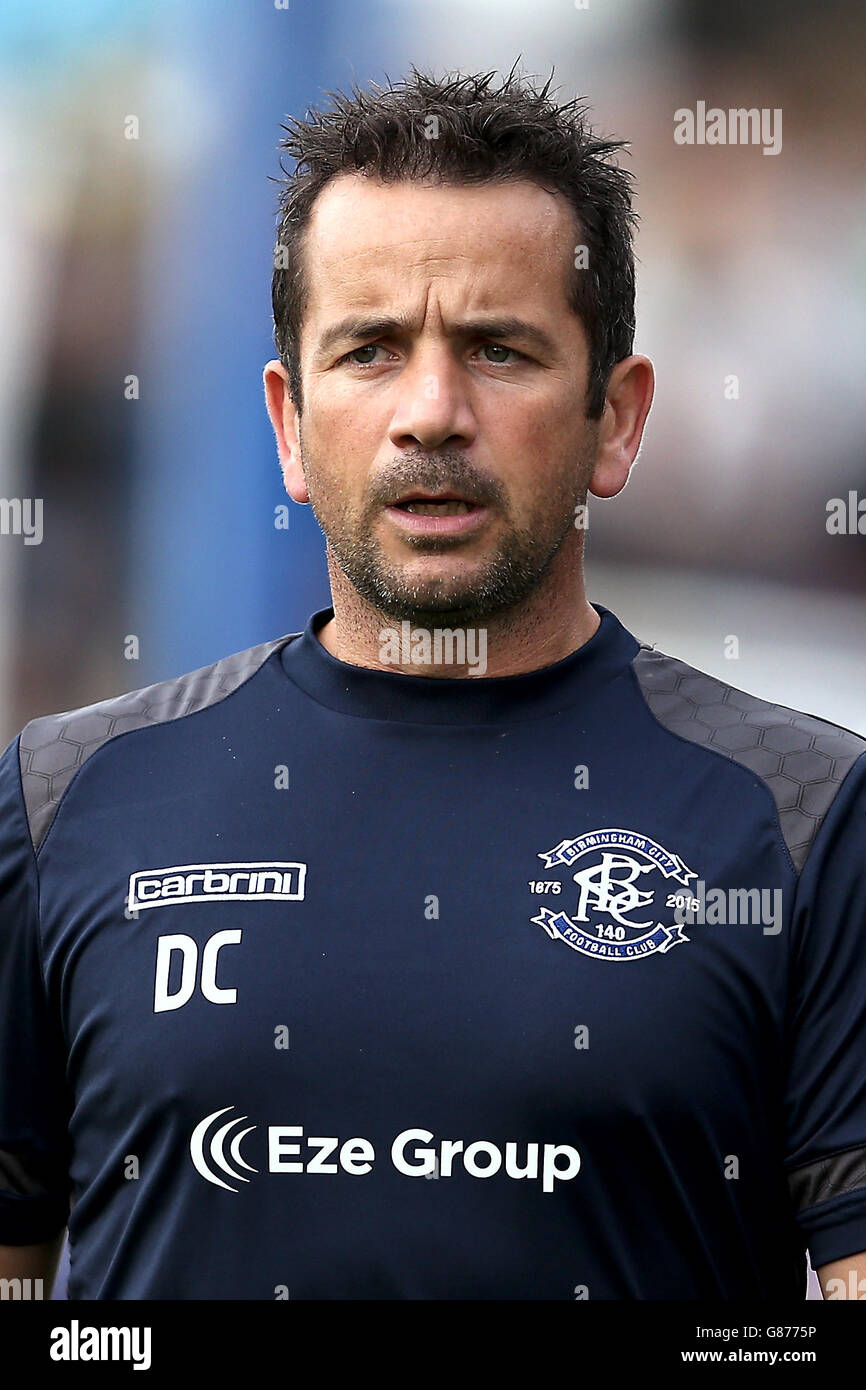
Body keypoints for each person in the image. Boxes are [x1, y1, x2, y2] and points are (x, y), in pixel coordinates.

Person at [1, 66, 865, 1301]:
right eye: (368, 350)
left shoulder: (806, 818)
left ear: (614, 421)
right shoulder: (60, 797)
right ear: (289, 424)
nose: (430, 412)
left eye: (497, 349)